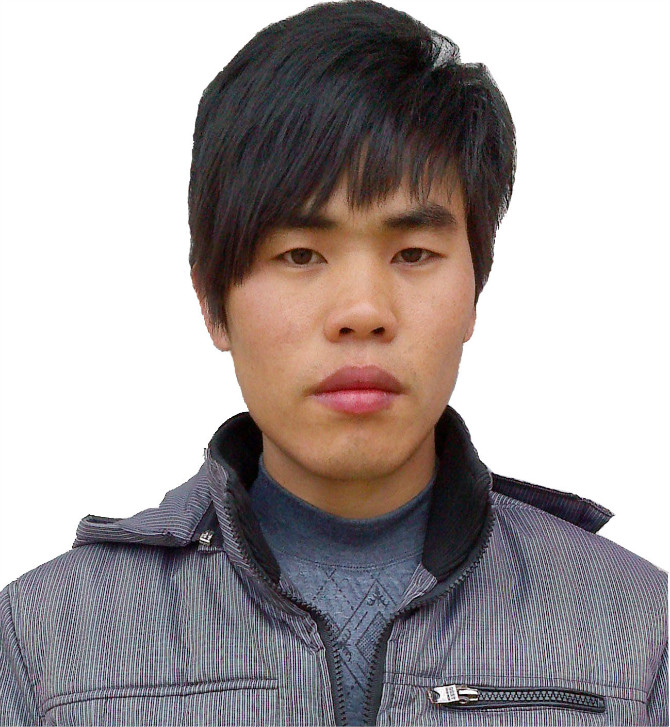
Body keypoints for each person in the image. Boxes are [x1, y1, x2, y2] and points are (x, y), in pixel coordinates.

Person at [0, 1, 667, 725]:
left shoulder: (637, 634)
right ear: (213, 303)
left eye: (414, 253)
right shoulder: (44, 642)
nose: (362, 310)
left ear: (475, 291)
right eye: (300, 255)